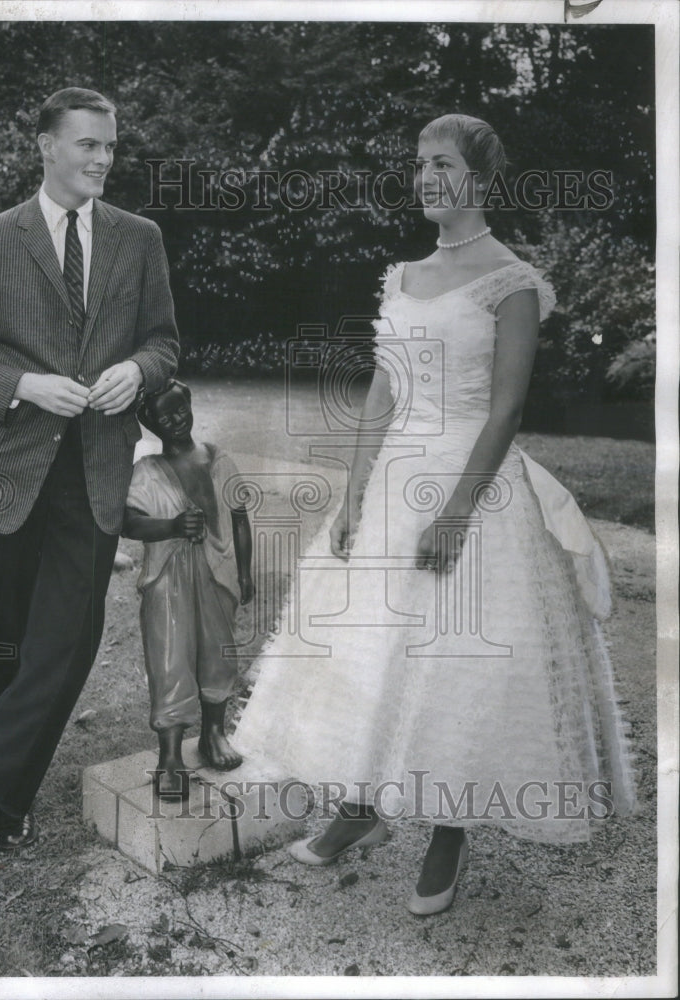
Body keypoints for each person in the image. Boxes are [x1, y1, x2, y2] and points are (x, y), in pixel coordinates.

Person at [232, 114, 637, 915]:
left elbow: (506, 409)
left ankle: (448, 827)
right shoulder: (402, 275)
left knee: (452, 664)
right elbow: (382, 392)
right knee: (367, 653)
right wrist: (353, 494)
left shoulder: (512, 281)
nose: (424, 177)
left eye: (441, 164)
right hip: (391, 478)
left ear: (479, 180)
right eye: (418, 164)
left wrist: (456, 513)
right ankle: (359, 811)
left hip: (470, 486)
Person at [0, 87, 179, 868]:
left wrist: (135, 371)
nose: (102, 159)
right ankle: (4, 801)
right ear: (45, 145)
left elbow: (165, 344)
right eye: (87, 145)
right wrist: (25, 385)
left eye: (109, 146)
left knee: (66, 640)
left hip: (95, 469)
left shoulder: (139, 239)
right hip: (6, 466)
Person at [122, 379, 254, 801]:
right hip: (167, 578)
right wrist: (171, 527)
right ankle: (170, 755)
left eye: (179, 410)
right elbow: (127, 524)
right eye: (163, 417)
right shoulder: (146, 472)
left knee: (219, 651)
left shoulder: (218, 459)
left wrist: (246, 572)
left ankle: (213, 733)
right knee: (170, 657)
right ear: (151, 425)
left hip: (217, 572)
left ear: (190, 404)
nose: (175, 421)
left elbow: (239, 518)